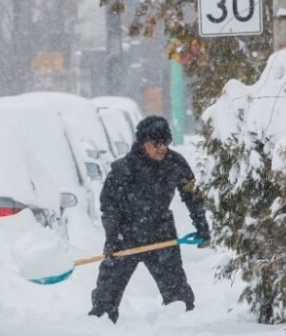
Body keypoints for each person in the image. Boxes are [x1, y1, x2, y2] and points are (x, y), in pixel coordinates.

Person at [88, 116, 210, 324]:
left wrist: (202, 226)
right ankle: (100, 332)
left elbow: (192, 196)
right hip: (126, 236)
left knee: (178, 296)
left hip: (161, 235)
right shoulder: (123, 169)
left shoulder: (174, 163)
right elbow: (109, 207)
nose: (162, 149)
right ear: (143, 143)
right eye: (156, 144)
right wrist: (112, 239)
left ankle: (182, 335)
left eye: (166, 143)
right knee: (105, 298)